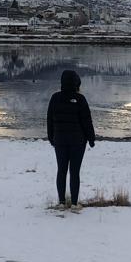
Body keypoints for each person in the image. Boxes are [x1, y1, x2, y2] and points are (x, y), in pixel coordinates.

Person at [46, 68, 96, 211]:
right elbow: (87, 122)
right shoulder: (80, 99)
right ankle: (74, 204)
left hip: (60, 141)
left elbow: (49, 120)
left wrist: (51, 138)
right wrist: (91, 139)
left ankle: (61, 202)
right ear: (76, 83)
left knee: (61, 170)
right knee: (75, 171)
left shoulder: (55, 98)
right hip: (78, 142)